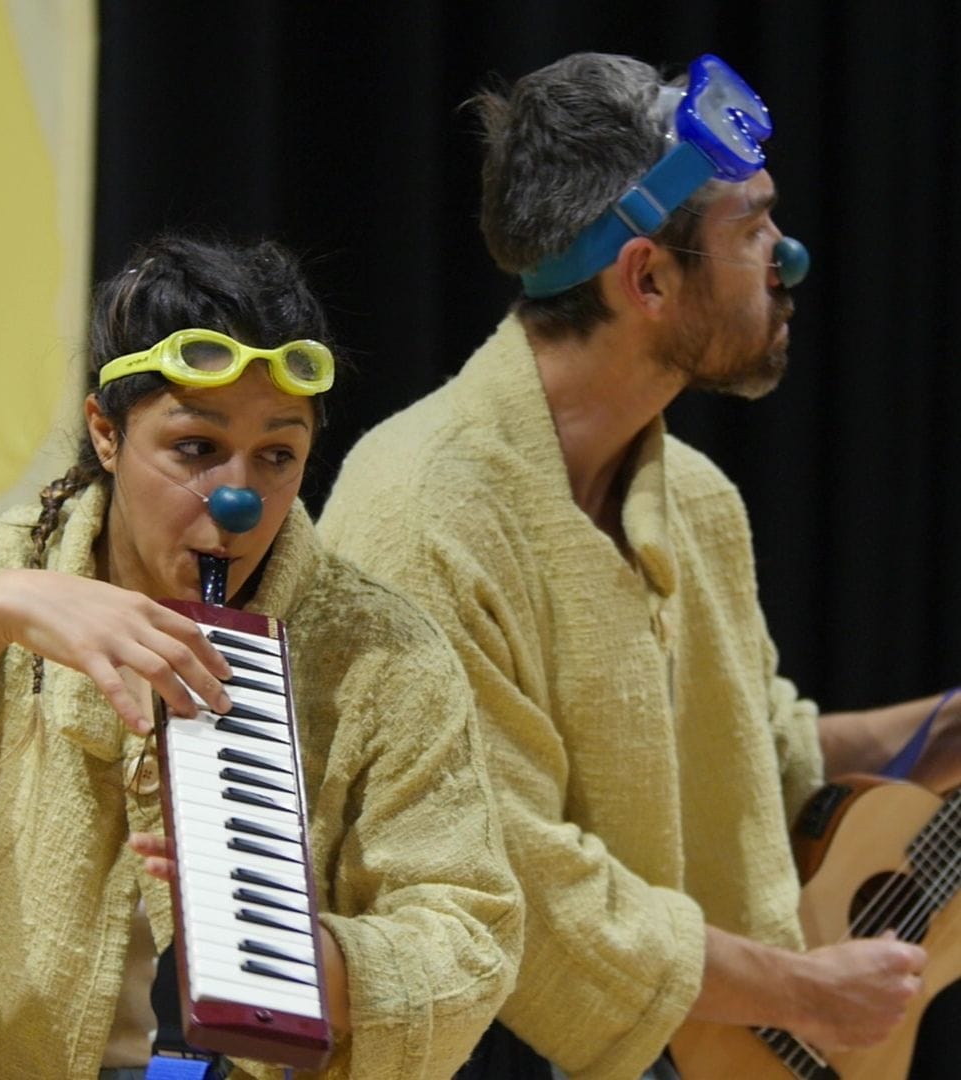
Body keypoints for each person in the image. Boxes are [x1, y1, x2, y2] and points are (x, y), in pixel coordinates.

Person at [318, 53, 961, 1079]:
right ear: (649, 278)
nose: (789, 258)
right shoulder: (419, 508)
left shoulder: (697, 501)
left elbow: (760, 763)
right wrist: (803, 991)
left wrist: (950, 730)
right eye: (753, 231)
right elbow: (513, 888)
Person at [0, 234, 522, 1080]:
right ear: (106, 433)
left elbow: (467, 938)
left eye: (277, 455)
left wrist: (288, 948)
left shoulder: (383, 652)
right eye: (195, 448)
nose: (239, 498)